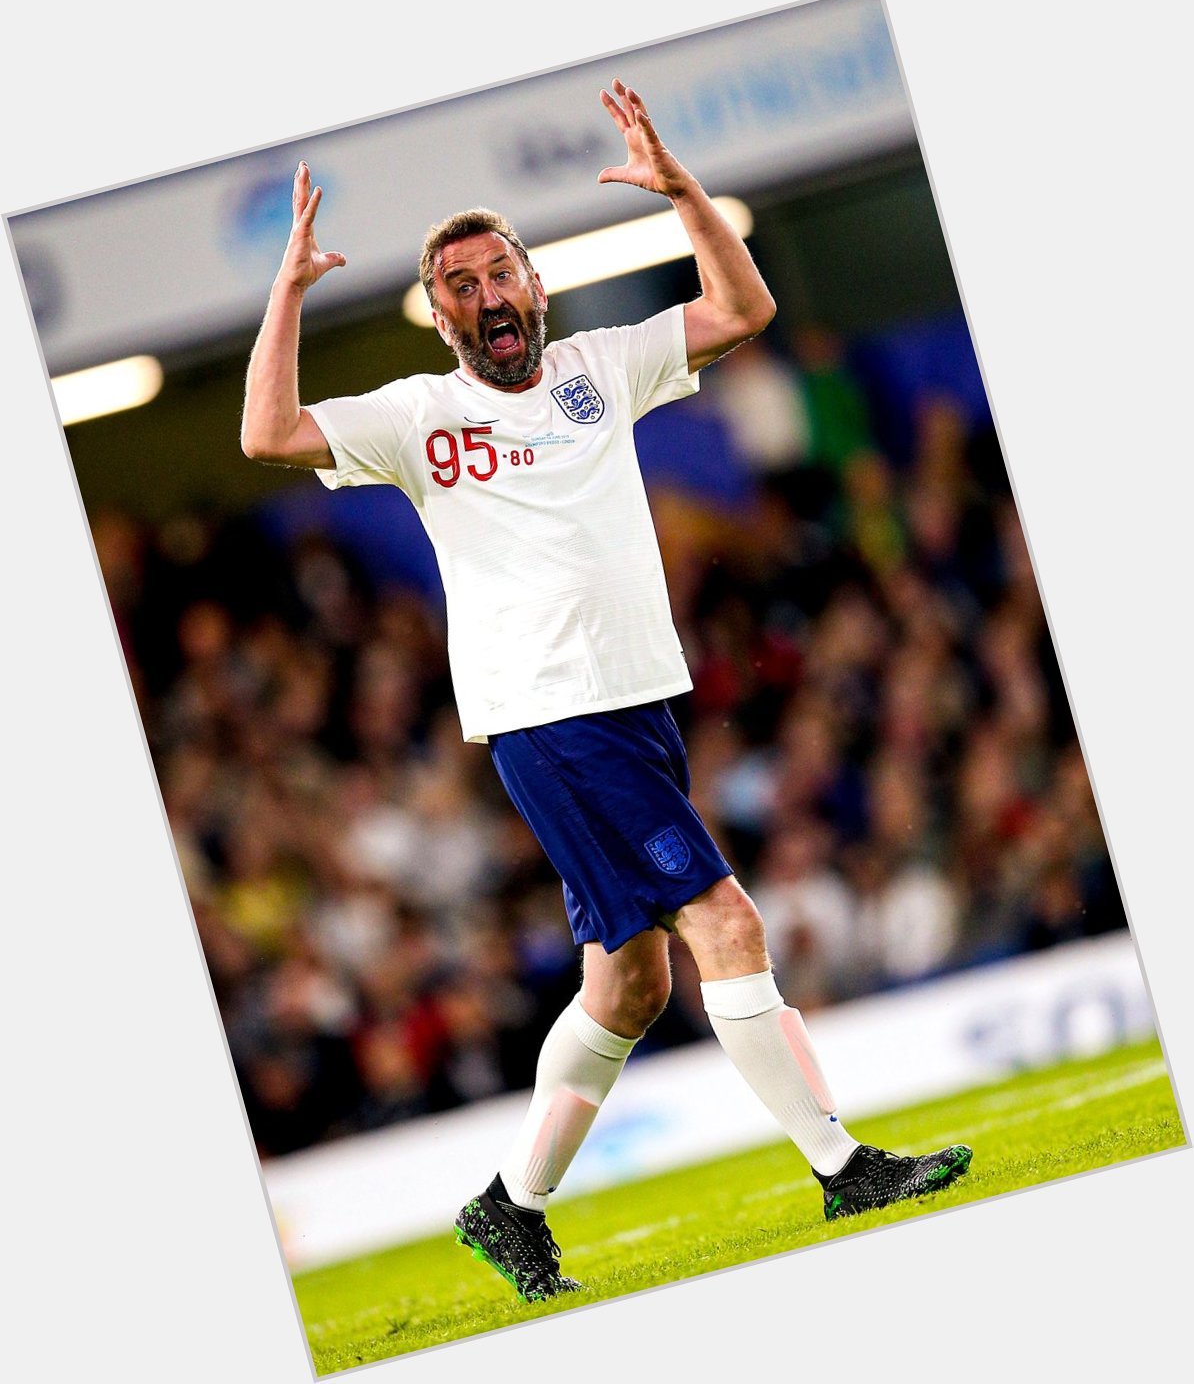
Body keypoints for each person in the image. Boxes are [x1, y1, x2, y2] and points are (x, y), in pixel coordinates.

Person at [241, 78, 972, 1303]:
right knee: (725, 921)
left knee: (628, 981)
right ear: (443, 320)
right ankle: (842, 1166)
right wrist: (290, 291)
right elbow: (268, 434)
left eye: (500, 274)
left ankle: (510, 1207)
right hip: (550, 710)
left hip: (635, 700)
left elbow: (745, 305)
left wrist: (685, 192)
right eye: (461, 287)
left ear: (536, 282)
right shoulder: (423, 417)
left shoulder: (599, 365)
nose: (488, 298)